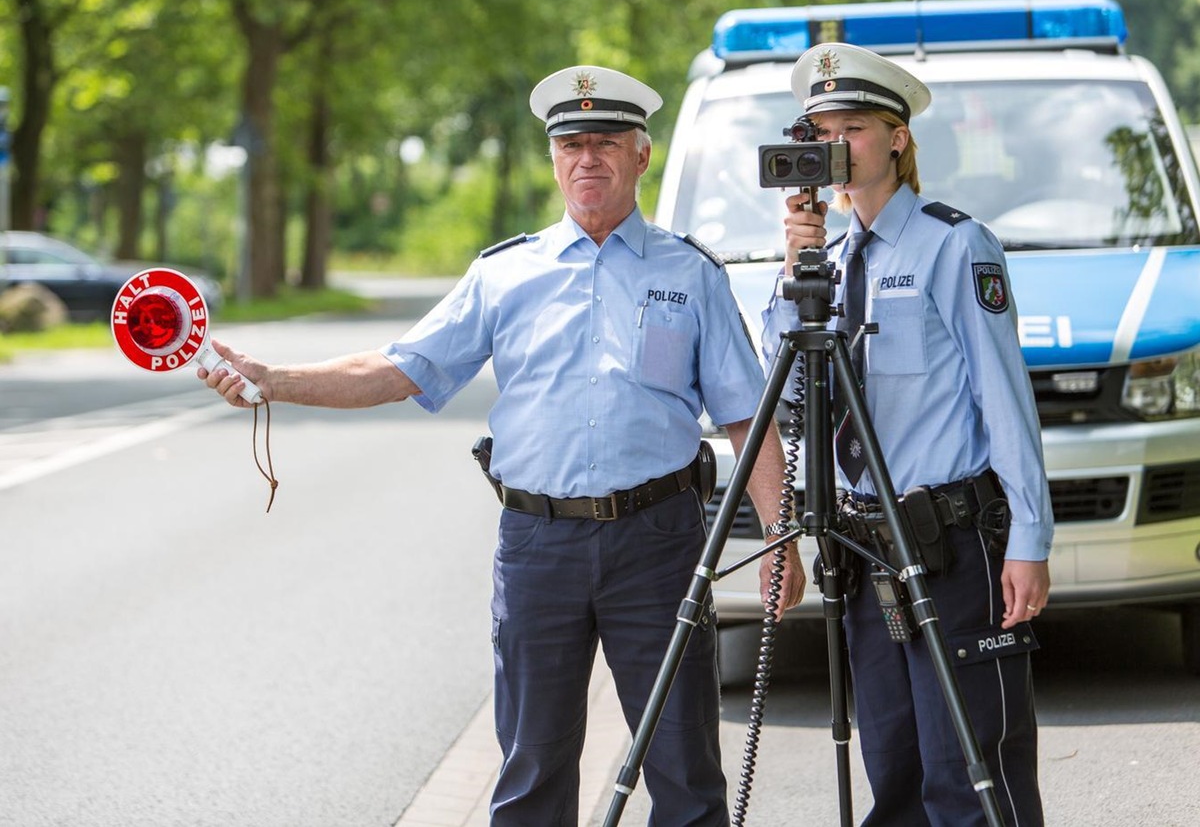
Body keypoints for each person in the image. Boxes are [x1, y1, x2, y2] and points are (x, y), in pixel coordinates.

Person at [200, 65, 806, 826]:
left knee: (685, 769)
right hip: (537, 545)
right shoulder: (504, 273)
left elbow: (747, 419)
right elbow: (398, 369)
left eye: (607, 142)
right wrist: (272, 378)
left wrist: (781, 537)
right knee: (532, 767)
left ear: (642, 155)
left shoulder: (691, 274)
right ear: (553, 159)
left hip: (657, 545)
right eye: (572, 144)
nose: (588, 158)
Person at [760, 43, 1054, 827]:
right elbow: (787, 389)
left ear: (897, 138)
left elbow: (1005, 398)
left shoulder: (954, 244)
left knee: (974, 768)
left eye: (853, 127)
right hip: (863, 554)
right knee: (893, 771)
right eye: (821, 131)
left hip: (951, 542)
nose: (836, 146)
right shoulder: (822, 257)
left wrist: (1030, 536)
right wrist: (798, 266)